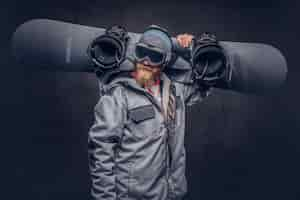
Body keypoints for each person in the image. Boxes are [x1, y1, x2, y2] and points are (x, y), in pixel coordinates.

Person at [88, 25, 210, 200]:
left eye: (154, 56)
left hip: (171, 194)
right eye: (141, 52)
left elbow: (205, 81)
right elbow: (100, 150)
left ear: (165, 61)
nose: (145, 61)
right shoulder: (118, 95)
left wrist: (190, 49)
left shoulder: (175, 92)